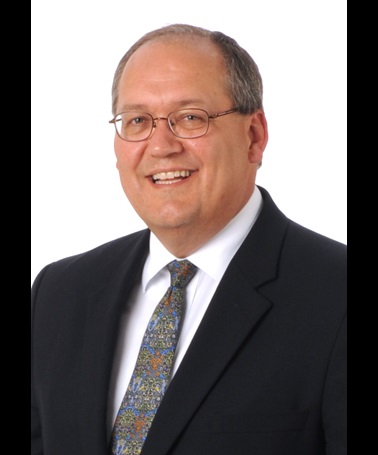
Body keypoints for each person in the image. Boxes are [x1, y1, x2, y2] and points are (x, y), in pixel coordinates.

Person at [31, 23, 347, 455]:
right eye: (138, 120)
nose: (160, 146)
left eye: (190, 118)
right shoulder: (59, 293)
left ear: (254, 137)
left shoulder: (335, 295)